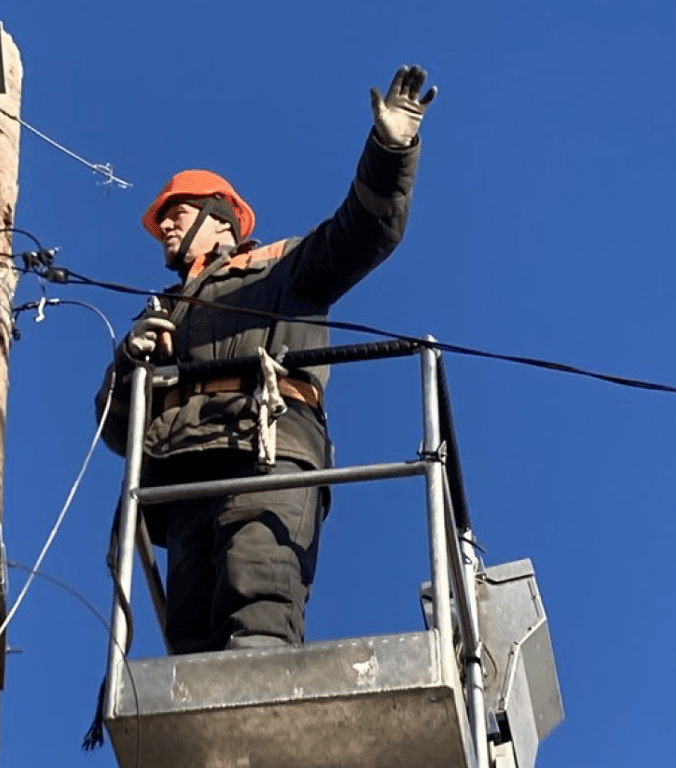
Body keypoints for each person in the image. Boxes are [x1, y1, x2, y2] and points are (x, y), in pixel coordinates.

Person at [95, 65, 436, 654]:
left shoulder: (281, 268)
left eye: (179, 210)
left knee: (258, 617)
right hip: (183, 476)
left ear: (218, 220)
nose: (166, 224)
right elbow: (116, 427)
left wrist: (390, 147)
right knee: (189, 649)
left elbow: (364, 231)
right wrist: (129, 363)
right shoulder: (160, 316)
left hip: (267, 452)